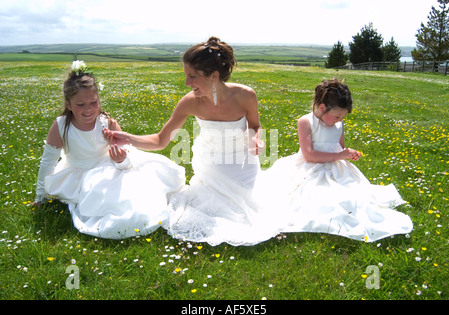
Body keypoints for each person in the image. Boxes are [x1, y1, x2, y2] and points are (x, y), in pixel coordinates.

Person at [104, 37, 279, 246]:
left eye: (192, 76)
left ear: (214, 76)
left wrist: (255, 140)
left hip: (243, 165)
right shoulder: (190, 102)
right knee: (207, 207)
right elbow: (160, 140)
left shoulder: (245, 95)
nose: (187, 83)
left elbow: (255, 126)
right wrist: (128, 138)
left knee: (248, 209)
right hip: (210, 165)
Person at [33, 61, 185, 239]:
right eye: (80, 104)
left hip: (110, 165)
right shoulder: (61, 127)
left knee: (142, 188)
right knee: (106, 197)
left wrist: (121, 160)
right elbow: (48, 161)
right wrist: (40, 195)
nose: (89, 109)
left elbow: (125, 151)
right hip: (81, 172)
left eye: (93, 102)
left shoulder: (106, 122)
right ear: (68, 104)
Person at [256, 79, 413, 242]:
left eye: (343, 117)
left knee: (353, 197)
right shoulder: (306, 122)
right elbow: (309, 155)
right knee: (316, 197)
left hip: (337, 168)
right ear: (322, 108)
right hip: (311, 167)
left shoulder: (339, 124)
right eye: (337, 116)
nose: (339, 120)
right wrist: (340, 155)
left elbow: (339, 147)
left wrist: (347, 154)